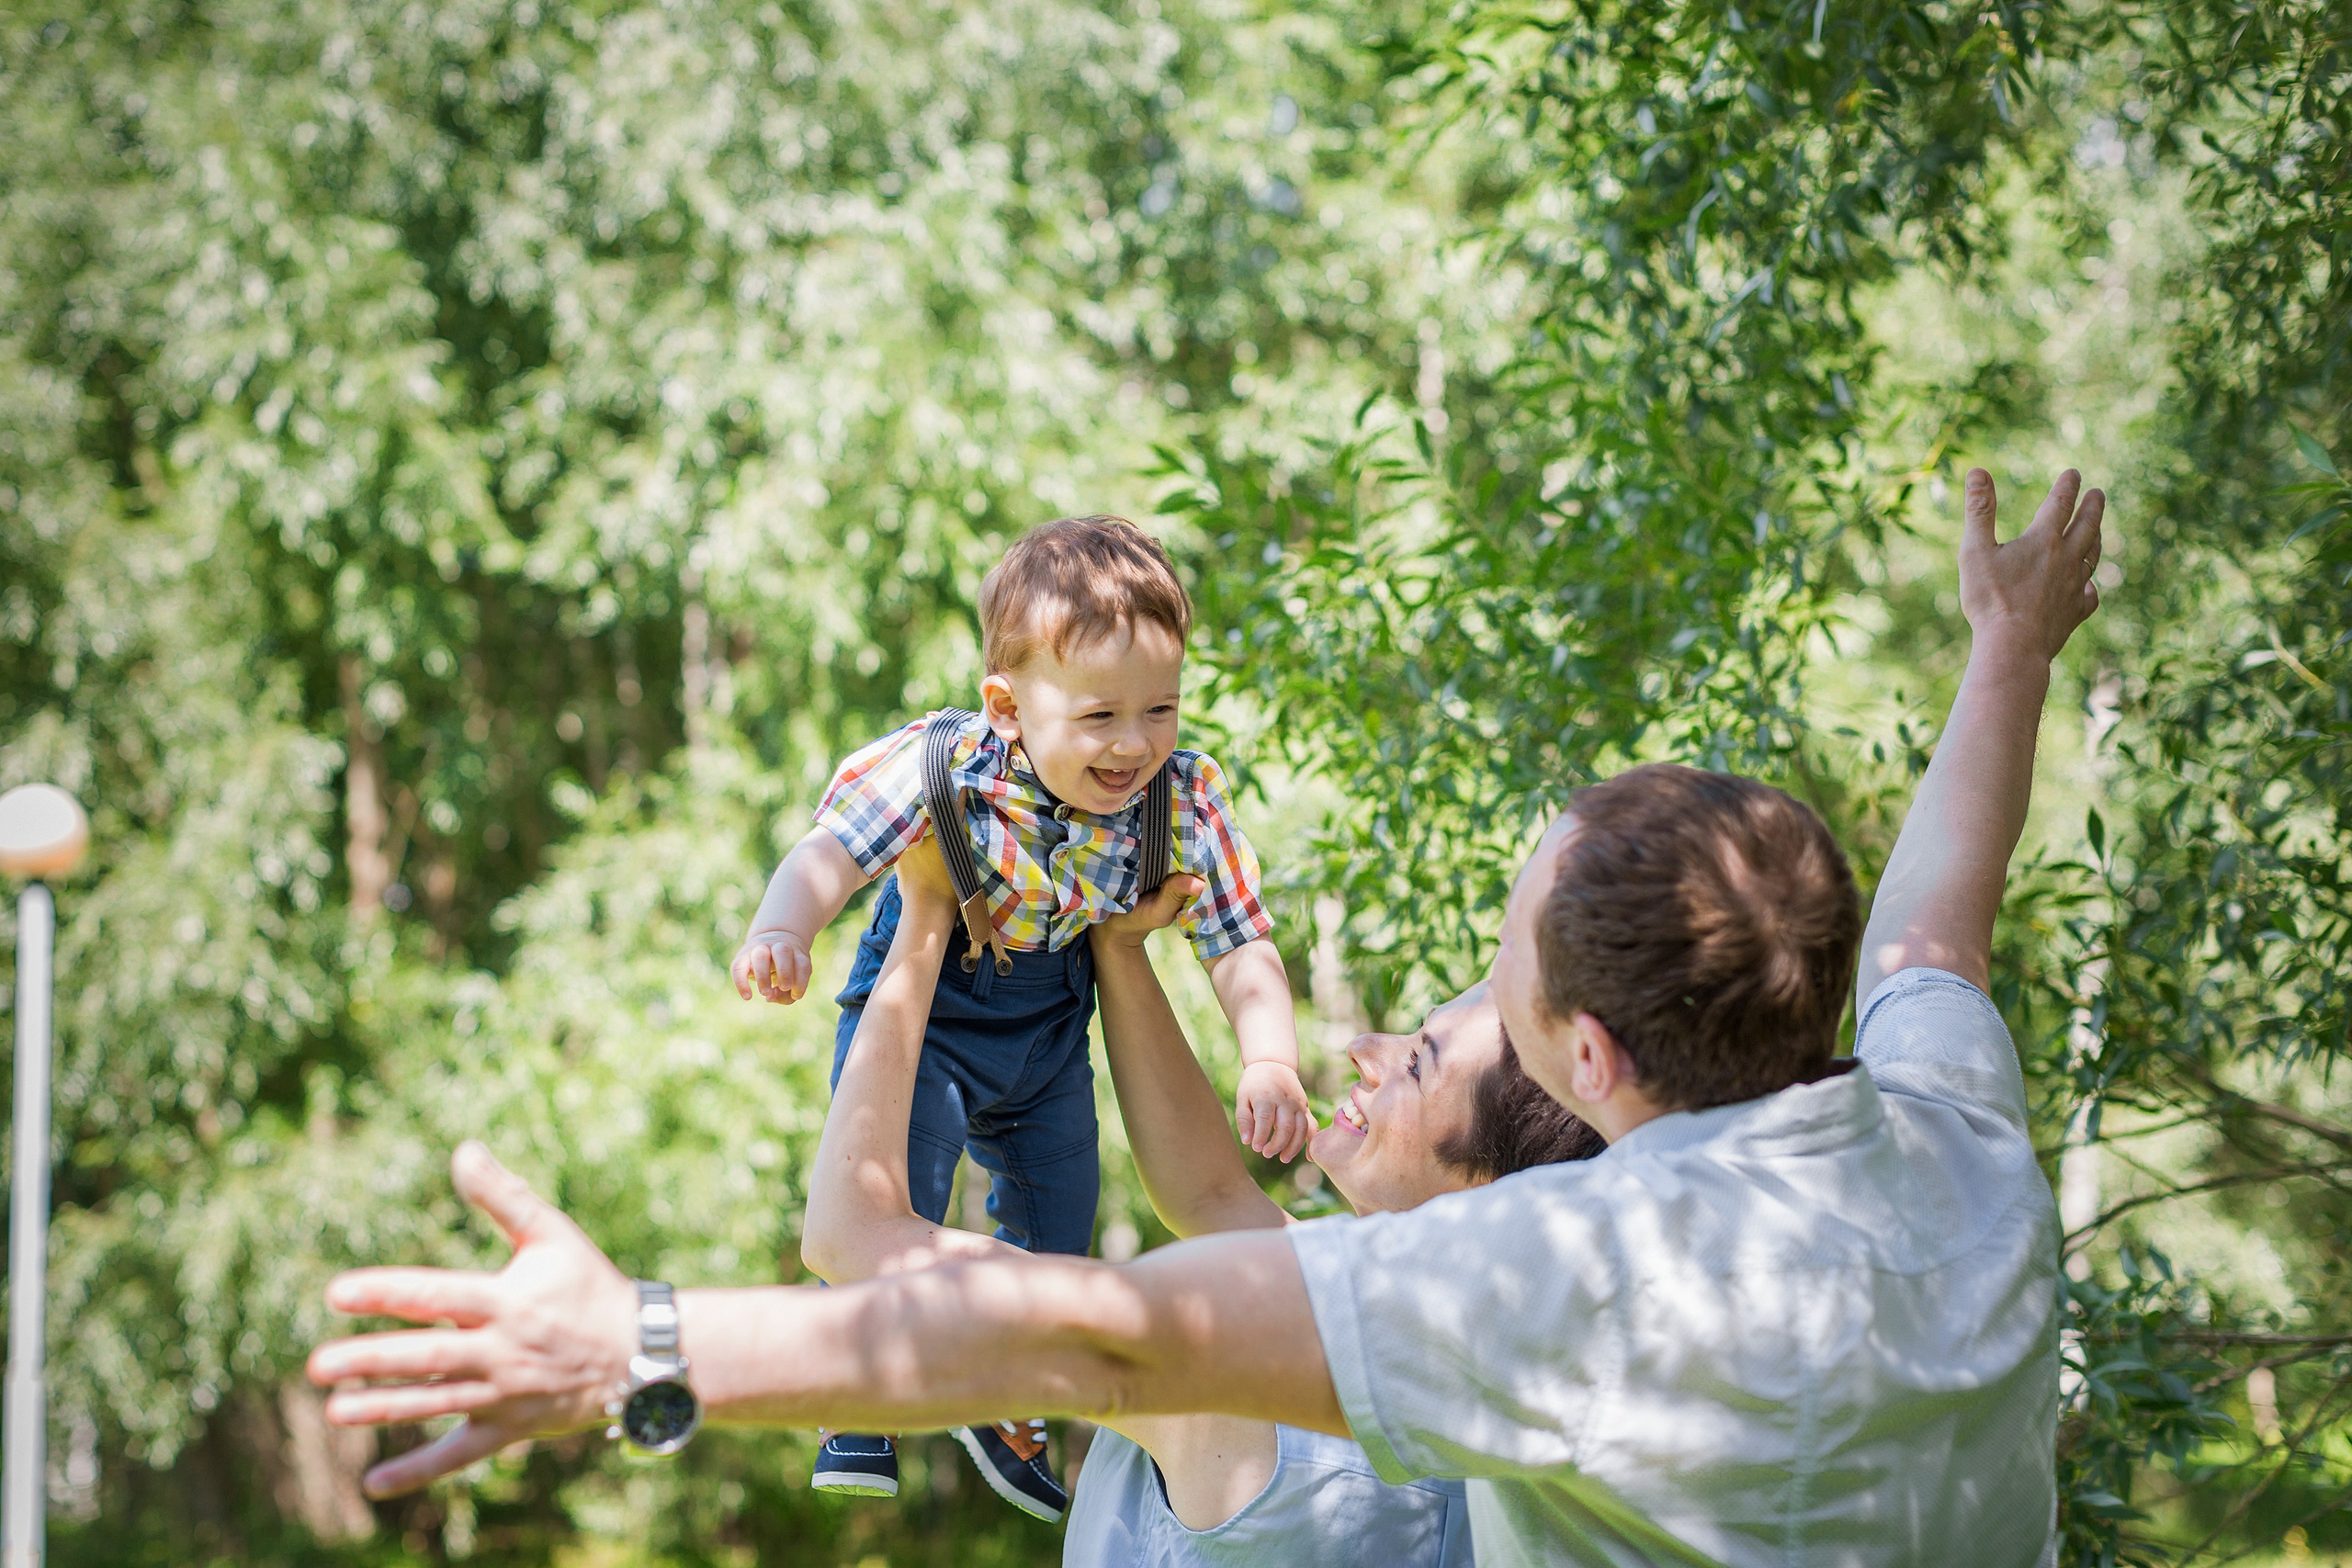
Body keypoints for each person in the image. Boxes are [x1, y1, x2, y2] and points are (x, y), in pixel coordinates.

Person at [311, 469, 2104, 1567]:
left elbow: (1103, 1335)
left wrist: (627, 1342)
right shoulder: (1939, 1132)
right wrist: (2002, 652)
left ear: (1592, 1063)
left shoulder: (1571, 1273)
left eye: (1489, 976)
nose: (1395, 1033)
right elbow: (1935, 923)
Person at [723, 515, 1314, 1514]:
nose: (1135, 744)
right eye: (1100, 717)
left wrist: (1269, 1060)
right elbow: (830, 850)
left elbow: (1240, 943)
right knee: (894, 1189)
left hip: (1050, 1026)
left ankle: (1015, 1400)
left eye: (1161, 708)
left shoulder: (1184, 797)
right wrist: (782, 929)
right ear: (1006, 704)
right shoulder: (939, 769)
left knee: (1058, 1214)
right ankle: (858, 1393)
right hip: (934, 1016)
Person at [805, 832, 1600, 1563]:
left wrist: (925, 911)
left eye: (1420, 1063)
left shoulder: (1239, 1370)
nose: (1366, 1050)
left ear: (1488, 1197)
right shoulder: (1480, 1378)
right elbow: (1210, 1194)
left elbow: (852, 1235)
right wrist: (1118, 947)